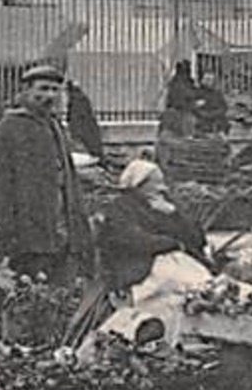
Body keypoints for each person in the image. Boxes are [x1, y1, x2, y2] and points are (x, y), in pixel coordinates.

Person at [0, 64, 92, 281]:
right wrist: (3, 232)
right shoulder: (11, 125)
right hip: (26, 230)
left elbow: (68, 177)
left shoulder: (54, 126)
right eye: (43, 89)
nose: (50, 95)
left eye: (55, 90)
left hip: (58, 225)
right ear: (26, 90)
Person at [96, 158, 209, 292]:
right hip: (140, 266)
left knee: (202, 284)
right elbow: (134, 240)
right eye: (155, 183)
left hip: (172, 259)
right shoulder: (121, 207)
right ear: (139, 185)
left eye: (161, 182)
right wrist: (173, 243)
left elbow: (198, 238)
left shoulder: (165, 202)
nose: (161, 188)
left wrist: (175, 215)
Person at [66, 79, 106, 159]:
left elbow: (75, 116)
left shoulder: (76, 99)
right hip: (87, 127)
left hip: (82, 128)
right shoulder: (81, 98)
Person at [163, 59, 199, 138]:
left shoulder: (175, 82)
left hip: (181, 111)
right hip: (182, 112)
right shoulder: (181, 83)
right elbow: (188, 95)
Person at [192, 70, 230, 138]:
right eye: (206, 79)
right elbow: (193, 107)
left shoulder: (217, 93)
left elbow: (224, 107)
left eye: (210, 79)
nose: (208, 82)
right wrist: (206, 114)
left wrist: (214, 114)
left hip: (217, 119)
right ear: (202, 80)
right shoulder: (196, 93)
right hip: (202, 120)